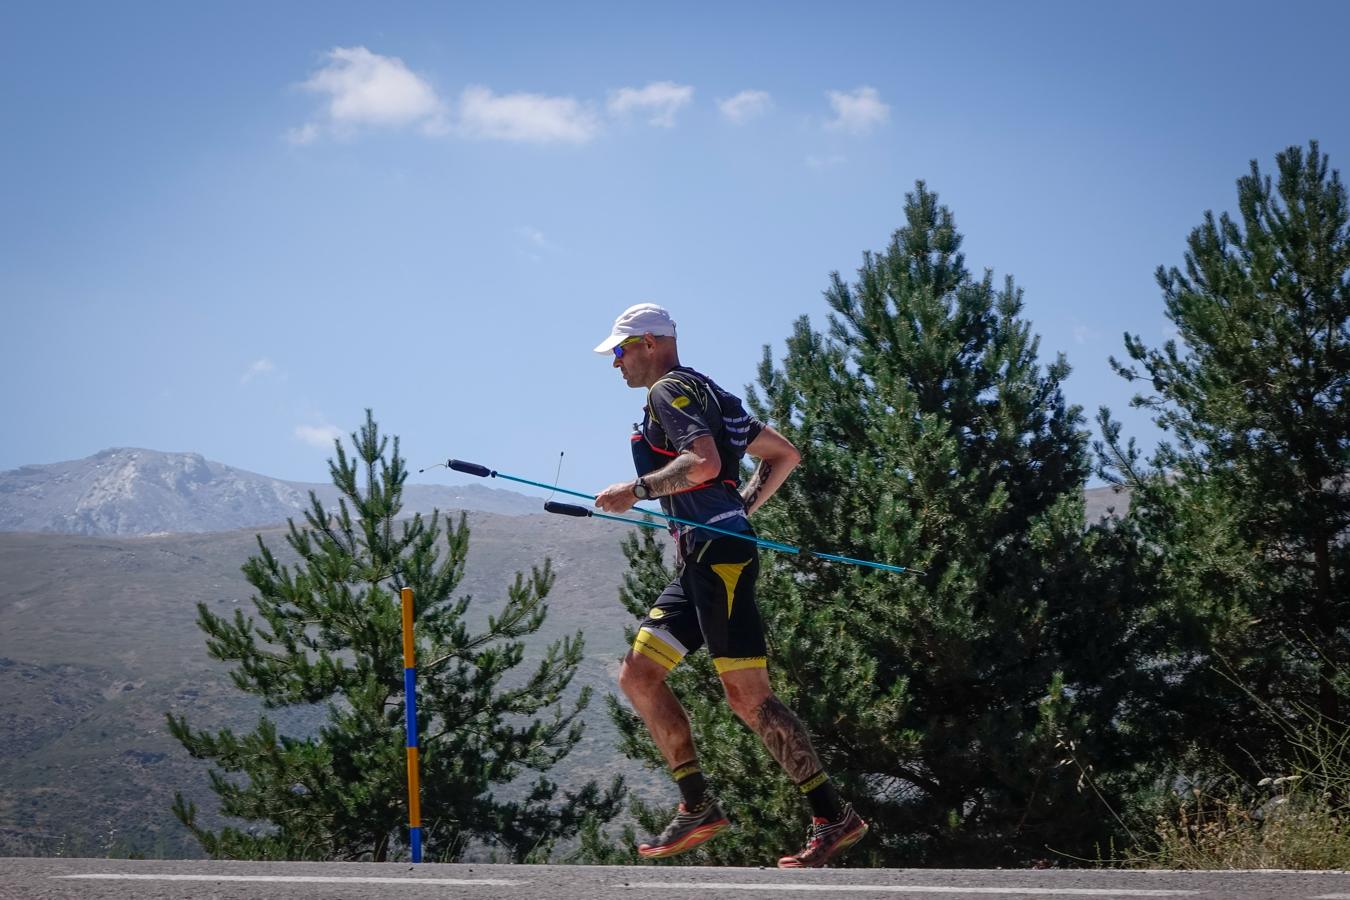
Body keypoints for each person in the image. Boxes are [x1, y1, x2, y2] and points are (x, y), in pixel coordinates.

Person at [592, 302, 868, 868]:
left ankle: (832, 815)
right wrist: (741, 510)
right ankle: (698, 806)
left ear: (650, 343)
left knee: (747, 695)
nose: (615, 363)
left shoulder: (669, 390)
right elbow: (784, 454)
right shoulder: (712, 393)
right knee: (639, 676)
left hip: (719, 559)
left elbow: (701, 462)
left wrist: (636, 489)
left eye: (620, 351)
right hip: (704, 557)